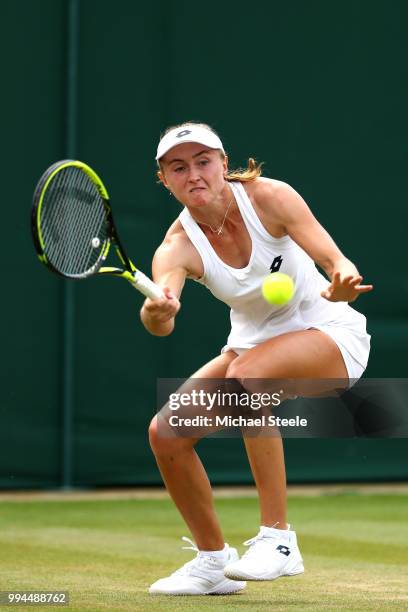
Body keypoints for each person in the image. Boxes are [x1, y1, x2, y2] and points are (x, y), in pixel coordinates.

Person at [142, 122, 373, 596]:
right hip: (252, 348)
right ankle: (212, 562)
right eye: (179, 168)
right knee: (165, 433)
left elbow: (336, 261)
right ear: (164, 179)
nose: (195, 175)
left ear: (224, 164)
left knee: (249, 374)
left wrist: (342, 277)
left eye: (204, 162)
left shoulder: (270, 197)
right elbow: (162, 321)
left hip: (330, 335)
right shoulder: (177, 246)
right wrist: (156, 312)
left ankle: (279, 541)